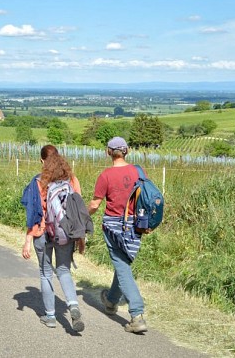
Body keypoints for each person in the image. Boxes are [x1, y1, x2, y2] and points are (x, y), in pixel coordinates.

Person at [21, 145, 85, 331]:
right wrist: (80, 237)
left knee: (45, 273)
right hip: (65, 233)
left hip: (41, 233)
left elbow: (32, 213)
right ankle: (73, 305)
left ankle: (50, 316)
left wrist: (27, 240)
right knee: (64, 270)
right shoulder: (71, 180)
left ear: (42, 161)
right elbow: (78, 210)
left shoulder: (37, 181)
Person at [88, 136, 148, 334]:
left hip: (114, 227)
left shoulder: (105, 175)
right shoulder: (138, 171)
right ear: (127, 151)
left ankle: (137, 314)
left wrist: (82, 216)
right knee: (122, 264)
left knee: (121, 266)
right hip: (136, 226)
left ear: (108, 152)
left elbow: (95, 204)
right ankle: (111, 302)